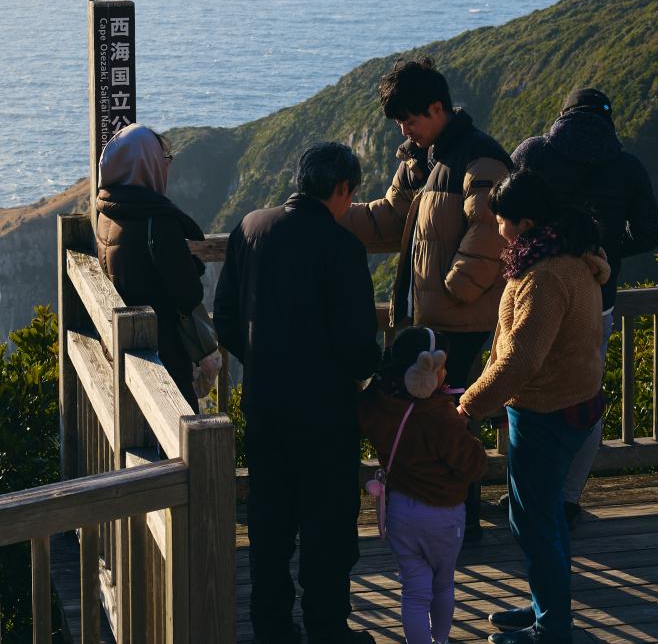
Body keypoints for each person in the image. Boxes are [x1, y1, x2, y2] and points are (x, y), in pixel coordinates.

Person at [215, 142, 382, 644]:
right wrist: (369, 372)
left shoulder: (250, 228)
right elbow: (357, 348)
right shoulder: (342, 248)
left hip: (265, 403)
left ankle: (271, 627)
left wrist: (262, 360)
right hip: (326, 414)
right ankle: (327, 629)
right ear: (342, 189)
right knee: (326, 529)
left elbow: (224, 319)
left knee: (269, 522)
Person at [339, 58, 511, 539]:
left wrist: (455, 288)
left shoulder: (480, 161)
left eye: (409, 119)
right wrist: (329, 213)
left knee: (449, 418)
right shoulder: (421, 160)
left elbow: (492, 230)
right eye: (399, 121)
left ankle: (459, 519)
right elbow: (388, 220)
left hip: (463, 320)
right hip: (432, 318)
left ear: (437, 108)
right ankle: (442, 514)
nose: (404, 128)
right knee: (435, 415)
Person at [457, 170, 607, 644]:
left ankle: (552, 628)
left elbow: (521, 359)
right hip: (573, 403)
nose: (497, 230)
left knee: (535, 521)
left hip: (548, 411)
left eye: (501, 221)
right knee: (540, 517)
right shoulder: (568, 257)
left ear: (524, 223)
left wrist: (468, 406)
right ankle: (546, 606)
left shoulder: (544, 276)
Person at [509, 86, 658, 526]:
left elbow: (505, 210)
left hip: (534, 291)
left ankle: (528, 493)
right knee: (585, 395)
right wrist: (606, 249)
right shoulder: (627, 166)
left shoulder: (533, 153)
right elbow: (650, 234)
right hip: (597, 299)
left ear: (564, 115)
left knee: (526, 388)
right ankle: (569, 497)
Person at [358, 328, 489, 644]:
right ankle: (440, 640)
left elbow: (359, 412)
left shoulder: (378, 404)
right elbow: (473, 465)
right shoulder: (440, 417)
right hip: (445, 516)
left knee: (414, 590)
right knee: (443, 585)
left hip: (401, 512)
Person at [92, 123, 208, 408]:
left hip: (128, 346)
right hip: (163, 352)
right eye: (163, 160)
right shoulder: (158, 220)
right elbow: (188, 293)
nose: (167, 167)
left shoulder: (106, 211)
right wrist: (194, 266)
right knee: (181, 435)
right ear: (147, 165)